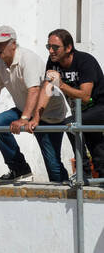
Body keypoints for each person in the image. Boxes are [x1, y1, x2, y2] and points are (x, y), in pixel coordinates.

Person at [0, 26, 70, 183]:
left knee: (52, 163)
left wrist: (25, 118)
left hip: (48, 113)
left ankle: (66, 193)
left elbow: (34, 90)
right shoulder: (0, 63)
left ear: (13, 44)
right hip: (25, 110)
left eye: (2, 43)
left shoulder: (28, 59)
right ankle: (19, 168)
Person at [44, 28, 104, 181]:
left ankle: (83, 171)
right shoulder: (53, 62)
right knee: (97, 150)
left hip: (99, 106)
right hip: (83, 112)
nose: (51, 51)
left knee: (71, 124)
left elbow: (85, 96)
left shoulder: (85, 61)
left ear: (69, 47)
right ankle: (94, 176)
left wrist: (61, 84)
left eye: (55, 47)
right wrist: (34, 116)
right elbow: (45, 90)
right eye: (48, 47)